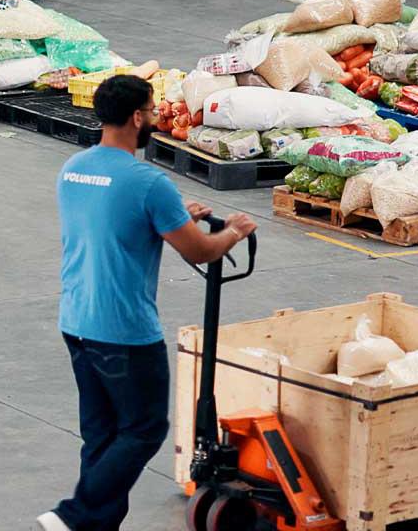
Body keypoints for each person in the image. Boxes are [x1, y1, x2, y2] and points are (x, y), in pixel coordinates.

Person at [39, 75, 257, 531]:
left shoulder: (73, 169)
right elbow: (198, 251)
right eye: (153, 111)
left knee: (101, 436)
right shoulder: (147, 181)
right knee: (143, 428)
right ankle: (73, 514)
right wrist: (233, 231)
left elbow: (116, 218)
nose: (156, 118)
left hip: (76, 320)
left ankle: (93, 526)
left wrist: (178, 214)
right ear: (137, 117)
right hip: (123, 330)